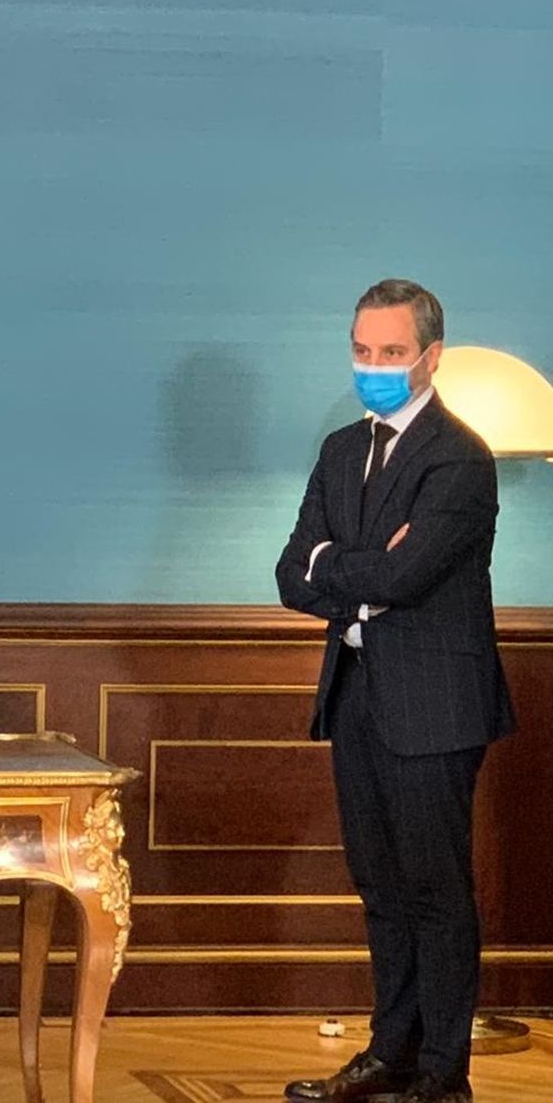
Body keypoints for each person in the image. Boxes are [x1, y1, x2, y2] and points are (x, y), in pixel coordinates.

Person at [275, 279, 514, 1103]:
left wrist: (340, 566)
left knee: (436, 893)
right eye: (361, 352)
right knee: (379, 886)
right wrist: (356, 569)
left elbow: (407, 575)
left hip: (436, 706)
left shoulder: (460, 456)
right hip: (357, 697)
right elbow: (289, 574)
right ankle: (390, 1055)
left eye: (391, 354)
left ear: (430, 357)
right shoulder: (342, 449)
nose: (372, 367)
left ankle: (443, 1076)